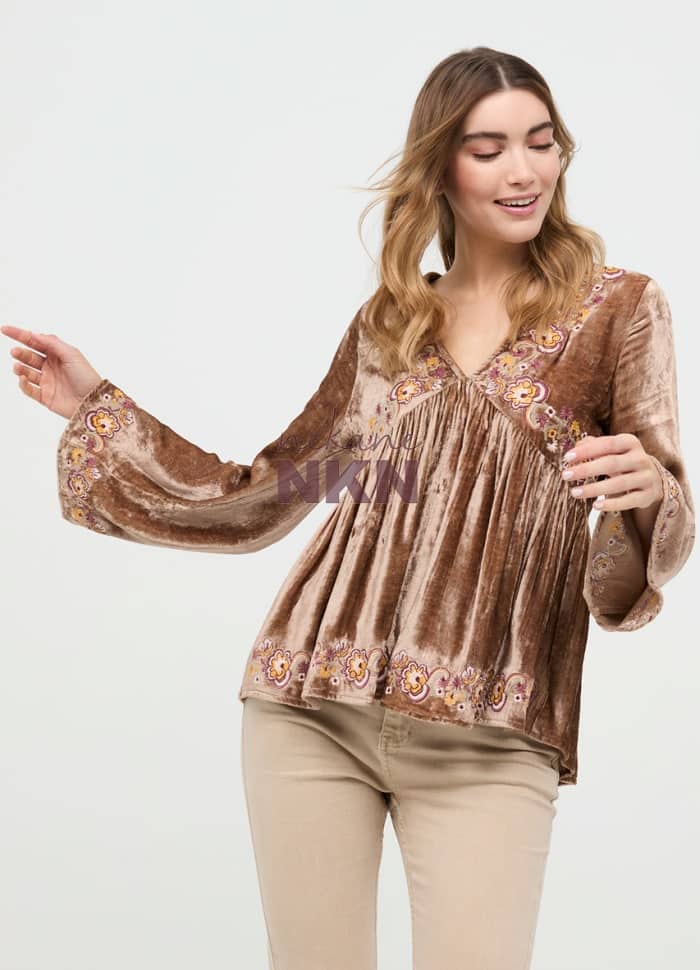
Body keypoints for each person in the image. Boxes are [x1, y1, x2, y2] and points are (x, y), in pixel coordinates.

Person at [2, 45, 695, 970]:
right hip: (308, 708)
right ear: (441, 166)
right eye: (488, 149)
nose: (524, 170)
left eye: (541, 142)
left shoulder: (620, 309)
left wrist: (649, 496)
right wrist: (99, 410)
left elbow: (646, 544)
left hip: (493, 732)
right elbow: (271, 492)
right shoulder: (390, 324)